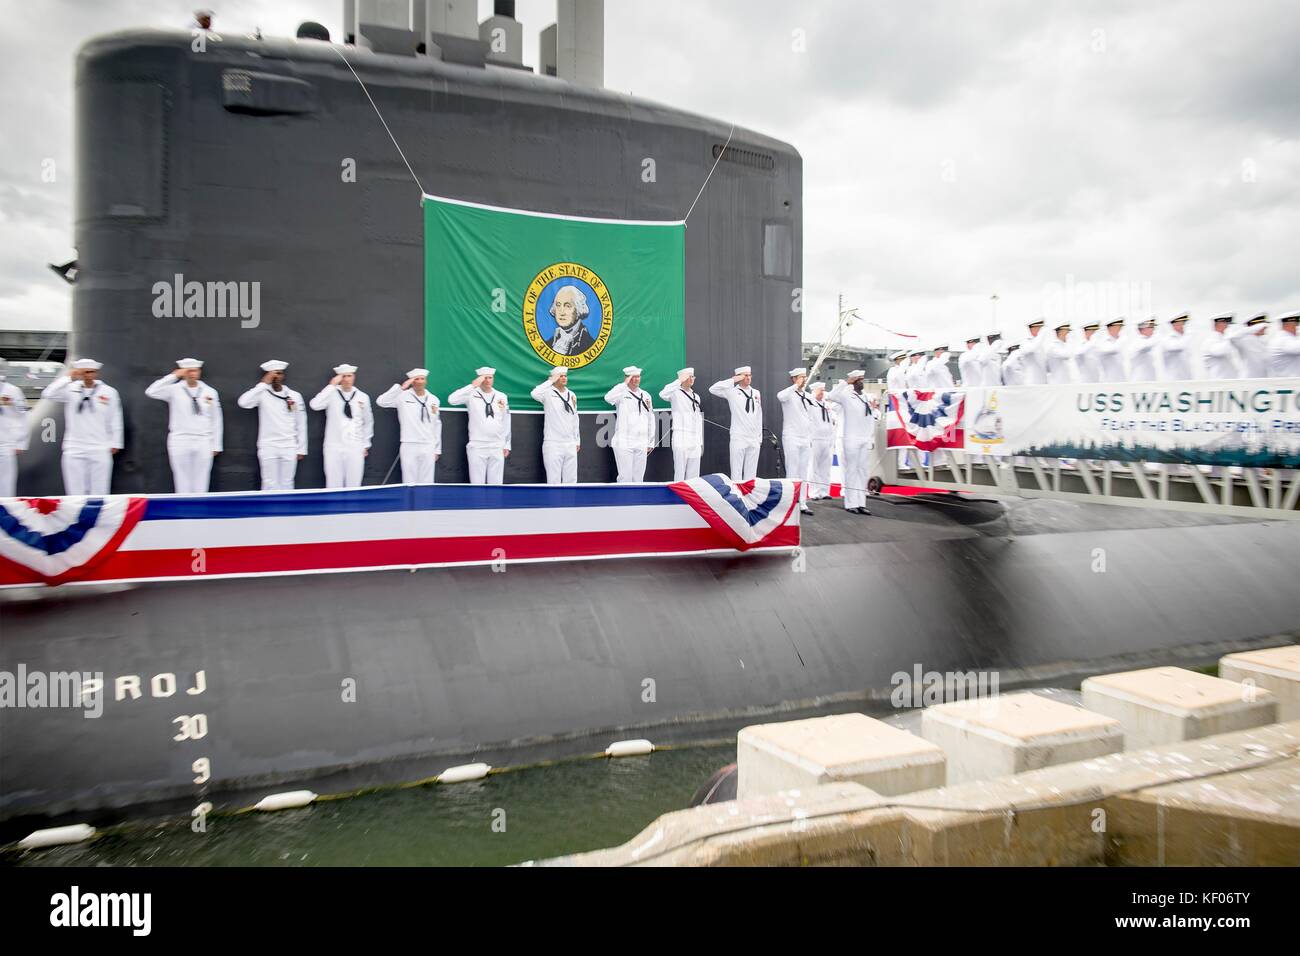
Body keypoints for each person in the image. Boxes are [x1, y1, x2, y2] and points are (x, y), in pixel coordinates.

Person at [41, 358, 123, 495]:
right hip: (74, 447)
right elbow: (48, 394)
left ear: (96, 373)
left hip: (99, 446)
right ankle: (76, 516)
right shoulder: (70, 390)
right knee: (75, 491)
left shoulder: (109, 392)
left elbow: (115, 418)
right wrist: (68, 377)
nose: (88, 375)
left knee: (100, 490)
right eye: (84, 372)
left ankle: (97, 516)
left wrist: (116, 442)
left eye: (91, 372)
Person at [145, 358, 223, 493]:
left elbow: (216, 419)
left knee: (202, 479)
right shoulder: (173, 390)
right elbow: (151, 391)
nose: (193, 374)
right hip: (180, 439)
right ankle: (183, 511)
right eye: (189, 371)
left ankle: (199, 510)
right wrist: (174, 376)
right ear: (184, 372)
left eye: (196, 370)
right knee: (181, 479)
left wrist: (216, 444)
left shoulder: (209, 391)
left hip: (203, 439)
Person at [236, 360, 307, 491]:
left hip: (289, 445)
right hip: (268, 445)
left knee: (287, 483)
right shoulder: (262, 394)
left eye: (279, 374)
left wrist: (301, 448)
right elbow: (243, 402)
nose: (276, 377)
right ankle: (268, 511)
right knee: (269, 483)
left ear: (283, 376)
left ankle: (286, 510)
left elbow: (301, 423)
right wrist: (263, 384)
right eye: (273, 374)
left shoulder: (294, 396)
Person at [309, 363, 373, 488]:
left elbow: (368, 422)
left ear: (354, 377)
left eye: (349, 376)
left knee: (354, 484)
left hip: (355, 445)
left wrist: (365, 444)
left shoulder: (362, 396)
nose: (347, 379)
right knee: (333, 484)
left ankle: (354, 507)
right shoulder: (331, 394)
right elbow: (315, 405)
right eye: (344, 376)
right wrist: (331, 385)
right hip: (333, 445)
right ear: (339, 378)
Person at [378, 367, 443, 485]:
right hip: (409, 444)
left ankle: (425, 504)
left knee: (427, 482)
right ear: (412, 381)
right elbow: (382, 401)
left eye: (422, 379)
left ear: (426, 381)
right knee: (409, 481)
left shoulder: (433, 399)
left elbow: (437, 425)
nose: (419, 382)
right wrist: (401, 388)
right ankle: (409, 504)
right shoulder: (402, 397)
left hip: (428, 445)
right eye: (416, 379)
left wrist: (437, 449)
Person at [448, 366, 511, 484]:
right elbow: (452, 400)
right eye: (484, 378)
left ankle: (495, 503)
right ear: (479, 379)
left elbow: (506, 420)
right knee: (477, 484)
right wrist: (472, 386)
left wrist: (507, 444)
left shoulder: (501, 396)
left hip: (497, 445)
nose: (487, 380)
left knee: (496, 485)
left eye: (490, 377)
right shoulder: (471, 394)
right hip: (477, 445)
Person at [829, 370, 877, 515]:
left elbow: (869, 420)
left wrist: (871, 438)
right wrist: (845, 382)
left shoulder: (865, 398)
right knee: (851, 471)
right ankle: (851, 503)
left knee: (862, 471)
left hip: (864, 438)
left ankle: (861, 503)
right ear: (853, 382)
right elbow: (831, 396)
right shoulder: (846, 396)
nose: (861, 382)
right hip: (851, 439)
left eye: (862, 379)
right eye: (858, 380)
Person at [709, 365, 763, 481]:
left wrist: (759, 437)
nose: (748, 378)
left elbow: (759, 415)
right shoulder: (732, 392)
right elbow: (713, 389)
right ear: (739, 377)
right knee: (736, 471)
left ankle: (749, 497)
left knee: (751, 473)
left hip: (754, 437)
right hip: (739, 436)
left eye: (749, 375)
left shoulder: (756, 393)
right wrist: (733, 380)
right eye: (745, 375)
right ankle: (738, 496)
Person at [604, 365, 655, 482]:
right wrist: (623, 384)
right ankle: (624, 500)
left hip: (641, 441)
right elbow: (608, 398)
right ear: (627, 378)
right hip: (624, 441)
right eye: (633, 377)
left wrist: (650, 441)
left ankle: (636, 501)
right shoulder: (621, 393)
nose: (637, 379)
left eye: (638, 376)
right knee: (625, 477)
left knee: (638, 478)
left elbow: (650, 418)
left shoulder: (646, 395)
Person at [529, 366, 579, 484]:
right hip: (553, 443)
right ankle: (555, 503)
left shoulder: (572, 394)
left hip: (570, 443)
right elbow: (534, 393)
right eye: (560, 376)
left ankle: (570, 503)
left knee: (571, 481)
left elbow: (575, 417)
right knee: (553, 481)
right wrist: (550, 381)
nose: (563, 378)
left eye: (565, 376)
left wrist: (577, 440)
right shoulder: (547, 393)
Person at [777, 367, 815, 515]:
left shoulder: (807, 396)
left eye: (804, 377)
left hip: (805, 437)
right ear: (793, 379)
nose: (803, 380)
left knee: (803, 471)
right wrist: (795, 385)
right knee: (792, 470)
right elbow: (780, 396)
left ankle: (802, 503)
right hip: (792, 437)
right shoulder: (788, 394)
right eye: (800, 377)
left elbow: (810, 417)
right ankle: (790, 503)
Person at [659, 367, 703, 481]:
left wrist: (700, 440)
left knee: (694, 473)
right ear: (683, 378)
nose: (691, 379)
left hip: (694, 437)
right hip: (681, 435)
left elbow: (698, 419)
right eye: (689, 377)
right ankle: (679, 497)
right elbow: (662, 394)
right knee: (680, 471)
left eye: (693, 377)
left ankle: (692, 496)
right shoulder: (675, 393)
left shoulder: (696, 396)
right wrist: (678, 381)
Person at [0, 359, 30, 496]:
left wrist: (20, 443)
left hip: (5, 443)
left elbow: (23, 417)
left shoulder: (12, 391)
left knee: (6, 484)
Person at [808, 381, 836, 500]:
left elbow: (831, 422)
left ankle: (824, 491)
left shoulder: (827, 405)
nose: (822, 393)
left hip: (827, 439)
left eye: (823, 390)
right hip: (815, 439)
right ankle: (814, 492)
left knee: (825, 467)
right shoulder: (810, 404)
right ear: (814, 391)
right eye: (820, 390)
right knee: (814, 467)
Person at [548, 286, 597, 357]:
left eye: (567, 306)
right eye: (558, 305)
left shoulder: (590, 346)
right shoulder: (550, 344)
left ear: (578, 309)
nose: (561, 312)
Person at [1199, 313, 1241, 379]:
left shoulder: (1223, 340)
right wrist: (1230, 336)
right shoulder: (1210, 341)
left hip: (1228, 383)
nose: (1228, 327)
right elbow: (1220, 351)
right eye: (1227, 324)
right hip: (1218, 384)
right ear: (1219, 324)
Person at [1230, 314, 1270, 378]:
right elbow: (1232, 338)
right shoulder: (1244, 340)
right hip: (1249, 380)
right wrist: (1250, 329)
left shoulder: (1262, 341)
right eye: (1263, 325)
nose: (1266, 327)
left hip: (1262, 379)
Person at [1158, 313, 1193, 380]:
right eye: (1181, 323)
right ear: (1174, 325)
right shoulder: (1167, 339)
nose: (1184, 326)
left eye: (1184, 323)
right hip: (1173, 381)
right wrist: (1189, 334)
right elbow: (1178, 346)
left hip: (1186, 379)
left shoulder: (1183, 339)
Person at [1127, 318, 1159, 382]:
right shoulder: (1137, 342)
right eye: (1151, 327)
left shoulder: (1147, 341)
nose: (1153, 330)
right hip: (1140, 380)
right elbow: (1145, 346)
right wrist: (1159, 338)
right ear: (1143, 329)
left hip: (1150, 379)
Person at [1018, 319, 1049, 385]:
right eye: (1040, 328)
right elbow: (1032, 348)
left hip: (1042, 383)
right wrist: (1042, 335)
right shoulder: (1025, 342)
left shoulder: (1039, 345)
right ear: (1033, 328)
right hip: (1031, 383)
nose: (1041, 331)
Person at [1269, 311, 1300, 376]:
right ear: (1287, 325)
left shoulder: (1283, 338)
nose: (1298, 327)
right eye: (1296, 324)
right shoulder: (1283, 340)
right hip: (1289, 383)